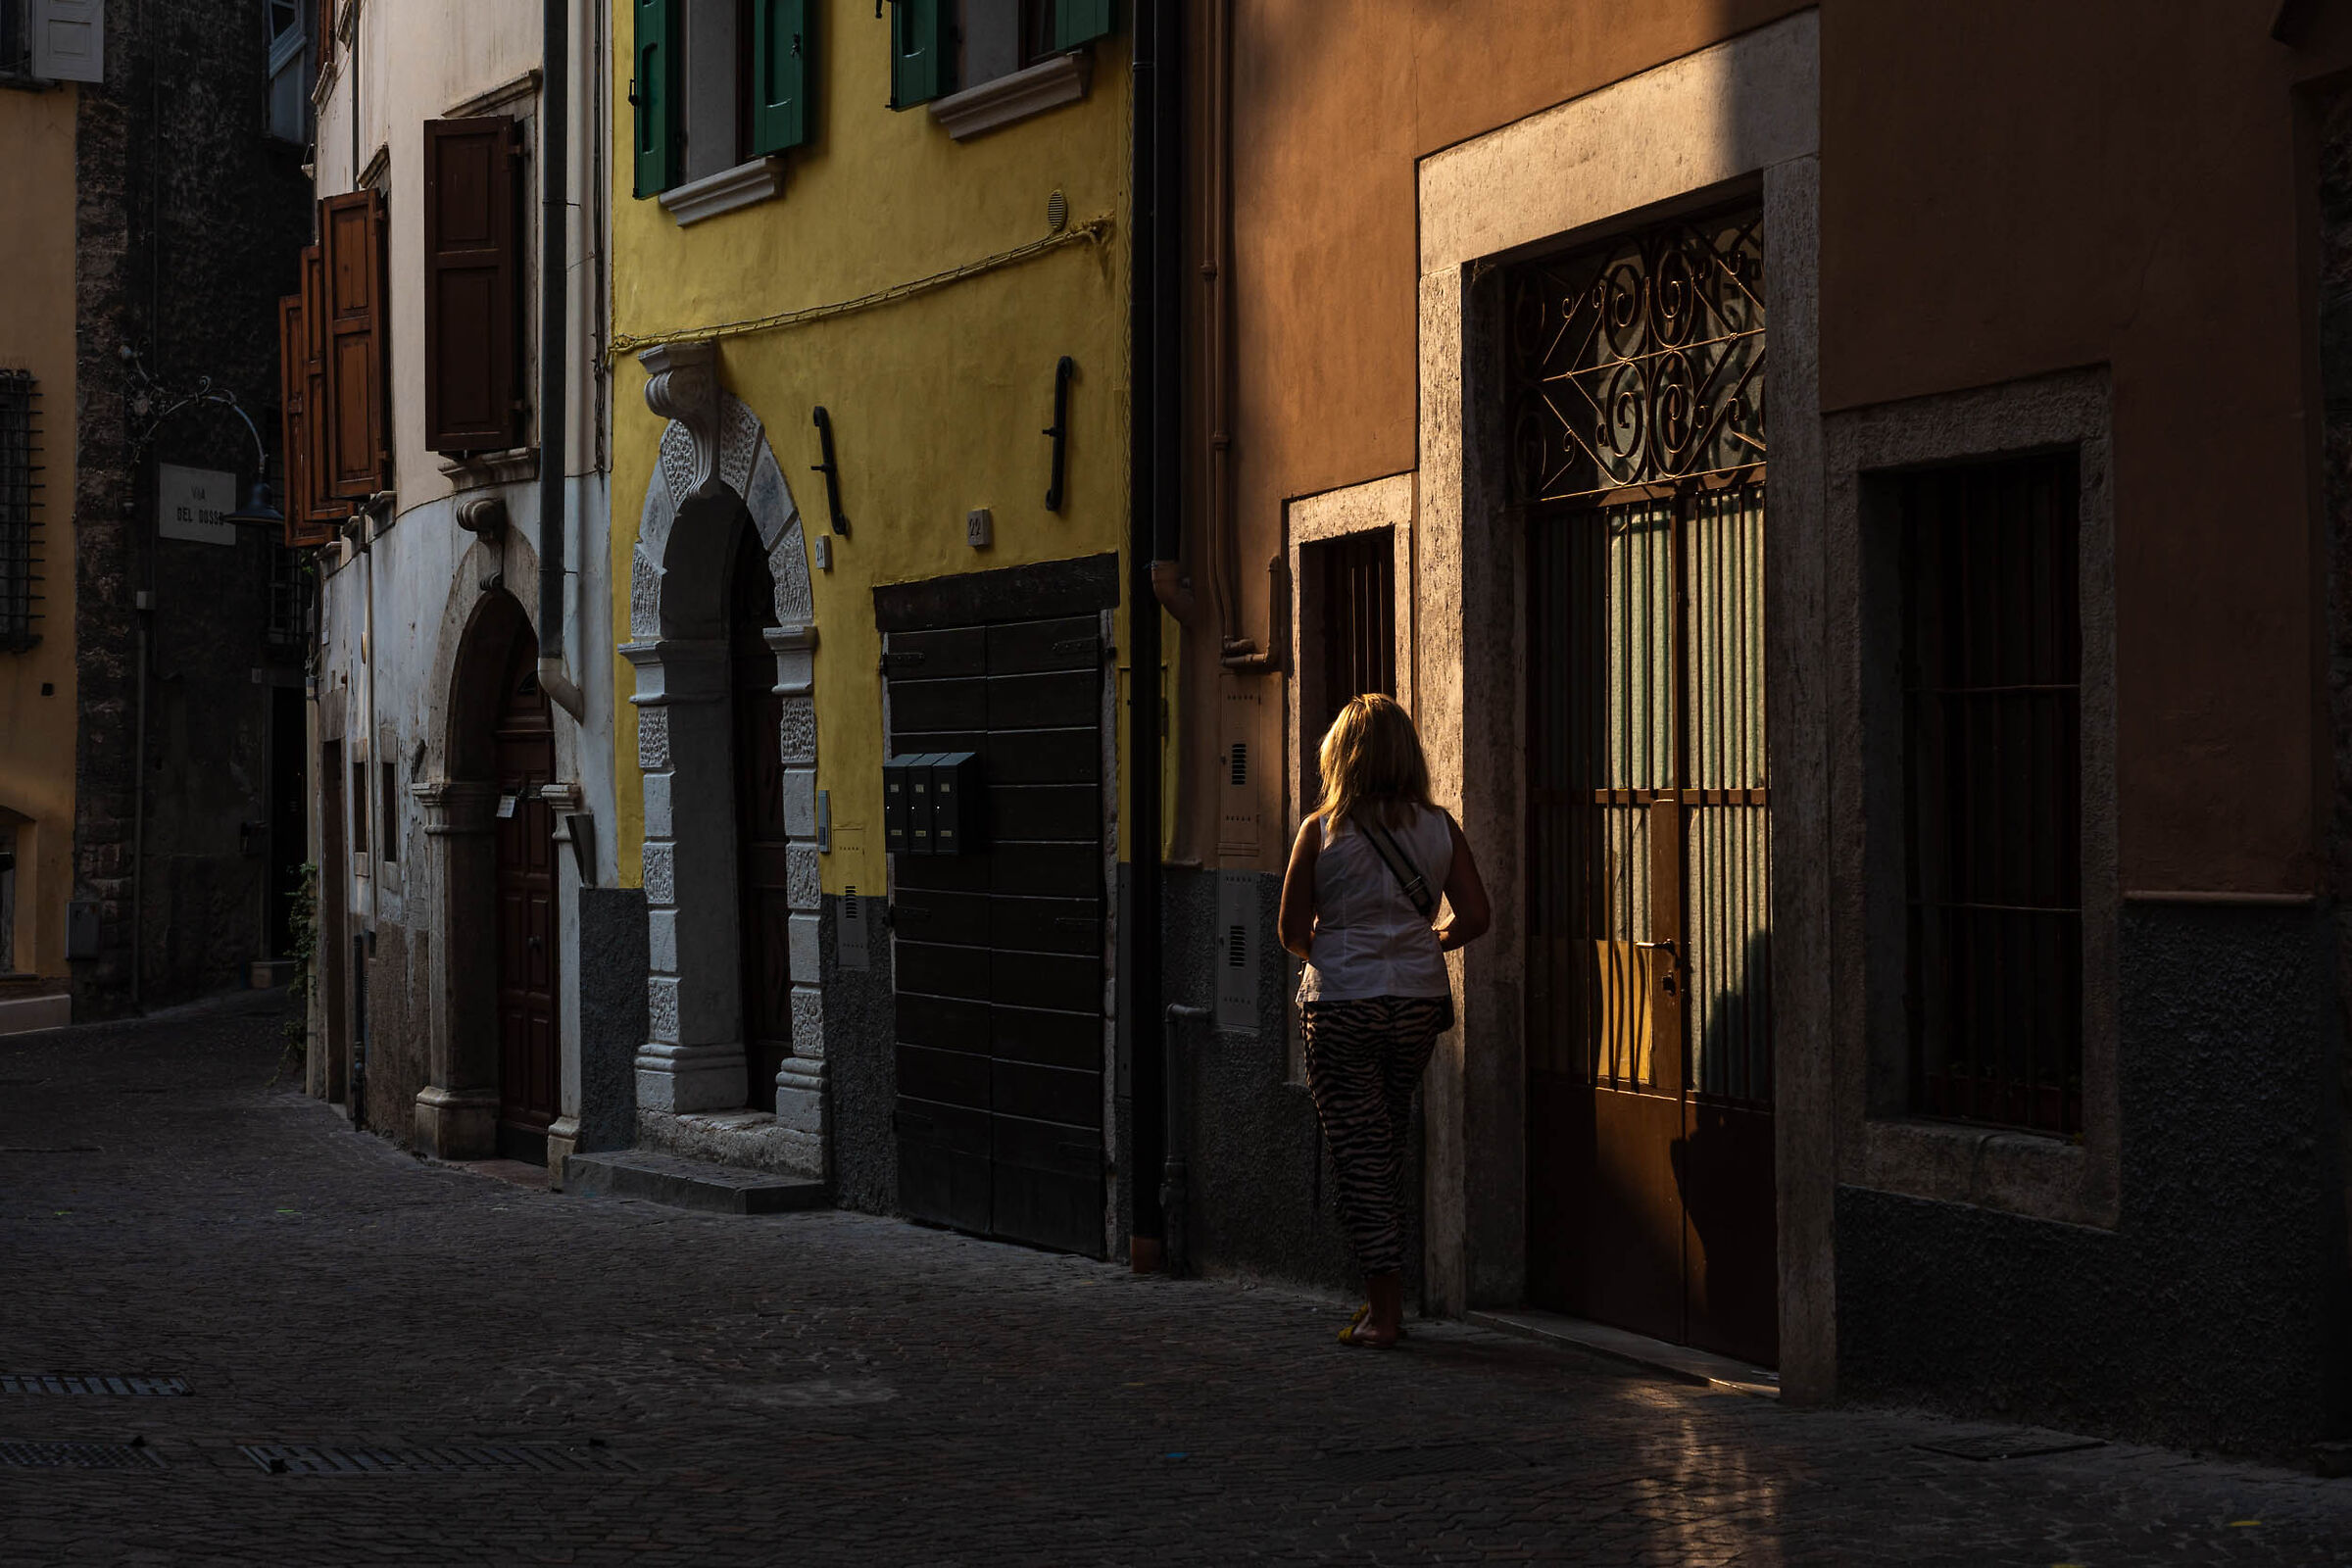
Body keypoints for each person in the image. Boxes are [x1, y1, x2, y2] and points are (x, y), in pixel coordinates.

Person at [1278, 693, 1491, 1348]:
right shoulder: (1439, 828)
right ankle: (1383, 1305)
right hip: (1416, 1004)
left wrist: (1342, 954)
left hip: (1342, 1004)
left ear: (1341, 758)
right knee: (1386, 1141)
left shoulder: (1320, 830)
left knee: (1360, 1156)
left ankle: (1386, 1316)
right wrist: (1424, 944)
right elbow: (1477, 916)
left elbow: (1290, 931)